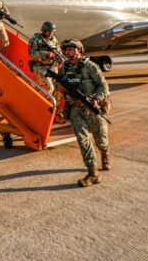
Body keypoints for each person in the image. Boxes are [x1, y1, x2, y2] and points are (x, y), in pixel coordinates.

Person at [57, 40, 111, 187]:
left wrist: (95, 99)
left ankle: (105, 153)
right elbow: (59, 83)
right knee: (83, 140)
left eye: (70, 49)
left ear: (79, 50)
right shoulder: (64, 68)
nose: (67, 51)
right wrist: (60, 87)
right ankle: (93, 173)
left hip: (92, 108)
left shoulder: (90, 66)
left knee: (101, 140)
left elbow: (103, 85)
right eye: (66, 49)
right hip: (75, 109)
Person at [28, 21, 63, 94]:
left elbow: (58, 52)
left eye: (52, 32)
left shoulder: (54, 39)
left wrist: (59, 59)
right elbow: (31, 54)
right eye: (49, 31)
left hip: (53, 68)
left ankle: (52, 105)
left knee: (58, 90)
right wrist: (45, 53)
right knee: (49, 88)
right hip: (40, 68)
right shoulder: (35, 39)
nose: (51, 33)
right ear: (44, 31)